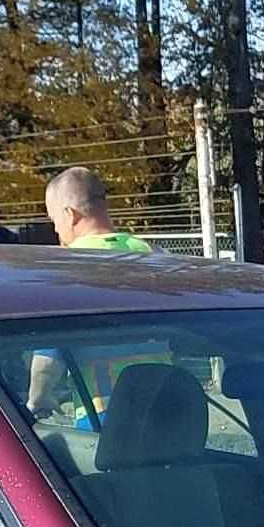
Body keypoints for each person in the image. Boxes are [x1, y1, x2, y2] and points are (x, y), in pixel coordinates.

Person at [27, 167, 155, 414]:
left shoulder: (68, 267)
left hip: (107, 412)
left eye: (54, 220)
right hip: (164, 401)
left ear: (69, 214)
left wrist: (37, 398)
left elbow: (49, 354)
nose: (55, 230)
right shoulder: (149, 255)